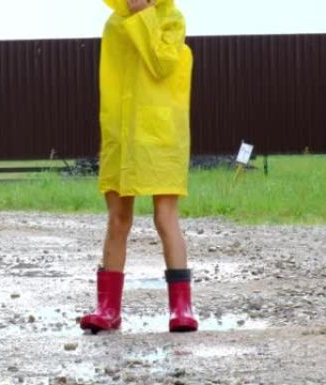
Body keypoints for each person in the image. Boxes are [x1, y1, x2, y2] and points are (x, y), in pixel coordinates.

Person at [80, 0, 197, 333]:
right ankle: (107, 309)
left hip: (162, 133)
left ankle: (181, 309)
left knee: (165, 216)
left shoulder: (172, 19)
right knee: (118, 218)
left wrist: (144, 15)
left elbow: (162, 64)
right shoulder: (113, 25)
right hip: (122, 133)